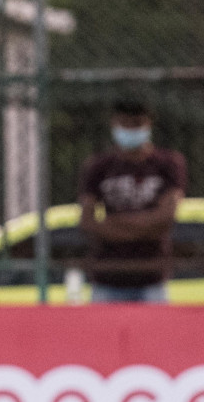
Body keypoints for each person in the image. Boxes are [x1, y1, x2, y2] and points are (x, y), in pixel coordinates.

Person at [78, 100, 186, 303]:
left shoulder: (168, 164)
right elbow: (87, 221)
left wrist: (115, 222)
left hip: (152, 275)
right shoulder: (98, 167)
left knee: (155, 334)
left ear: (148, 125)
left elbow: (166, 218)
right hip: (107, 276)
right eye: (124, 124)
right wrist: (146, 224)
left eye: (136, 124)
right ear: (114, 125)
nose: (130, 130)